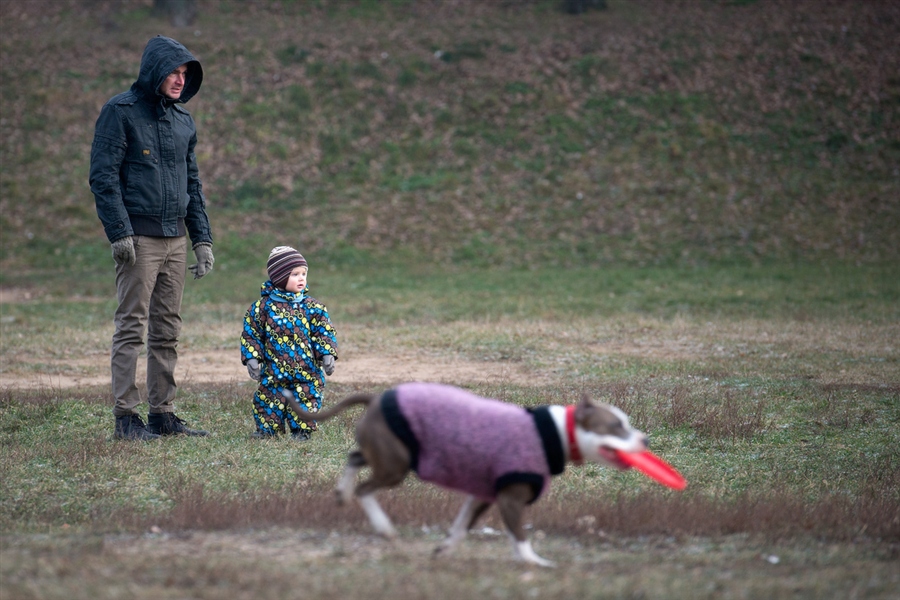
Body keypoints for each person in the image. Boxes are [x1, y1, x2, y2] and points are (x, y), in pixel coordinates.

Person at [89, 35, 214, 440]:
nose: (179, 81)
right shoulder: (120, 112)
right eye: (173, 72)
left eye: (184, 74)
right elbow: (102, 177)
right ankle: (126, 418)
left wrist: (202, 240)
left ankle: (163, 414)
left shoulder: (183, 122)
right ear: (154, 71)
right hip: (139, 242)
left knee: (167, 329)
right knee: (131, 327)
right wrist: (120, 233)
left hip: (176, 240)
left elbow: (192, 183)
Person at [241, 246, 338, 440]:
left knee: (306, 398)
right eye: (295, 274)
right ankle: (267, 430)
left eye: (304, 273)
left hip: (306, 370)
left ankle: (302, 431)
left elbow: (324, 331)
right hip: (273, 370)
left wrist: (327, 353)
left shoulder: (313, 307)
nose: (301, 278)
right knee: (268, 399)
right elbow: (252, 333)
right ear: (279, 277)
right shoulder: (263, 307)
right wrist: (251, 357)